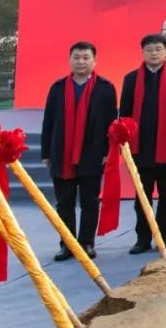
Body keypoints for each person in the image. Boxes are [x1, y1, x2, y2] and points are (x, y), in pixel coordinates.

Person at [41, 42, 117, 261]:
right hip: (62, 153)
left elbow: (111, 122)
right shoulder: (57, 88)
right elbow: (48, 121)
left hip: (92, 153)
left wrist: (108, 150)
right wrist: (46, 153)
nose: (81, 62)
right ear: (70, 60)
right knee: (64, 203)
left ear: (94, 61)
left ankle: (86, 243)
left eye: (85, 57)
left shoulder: (105, 88)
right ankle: (67, 244)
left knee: (89, 202)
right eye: (76, 57)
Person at [119, 34, 166, 254]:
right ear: (143, 52)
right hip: (140, 146)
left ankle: (165, 236)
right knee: (142, 196)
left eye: (158, 49)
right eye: (149, 49)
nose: (154, 53)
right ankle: (142, 238)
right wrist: (124, 139)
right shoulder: (131, 78)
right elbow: (125, 112)